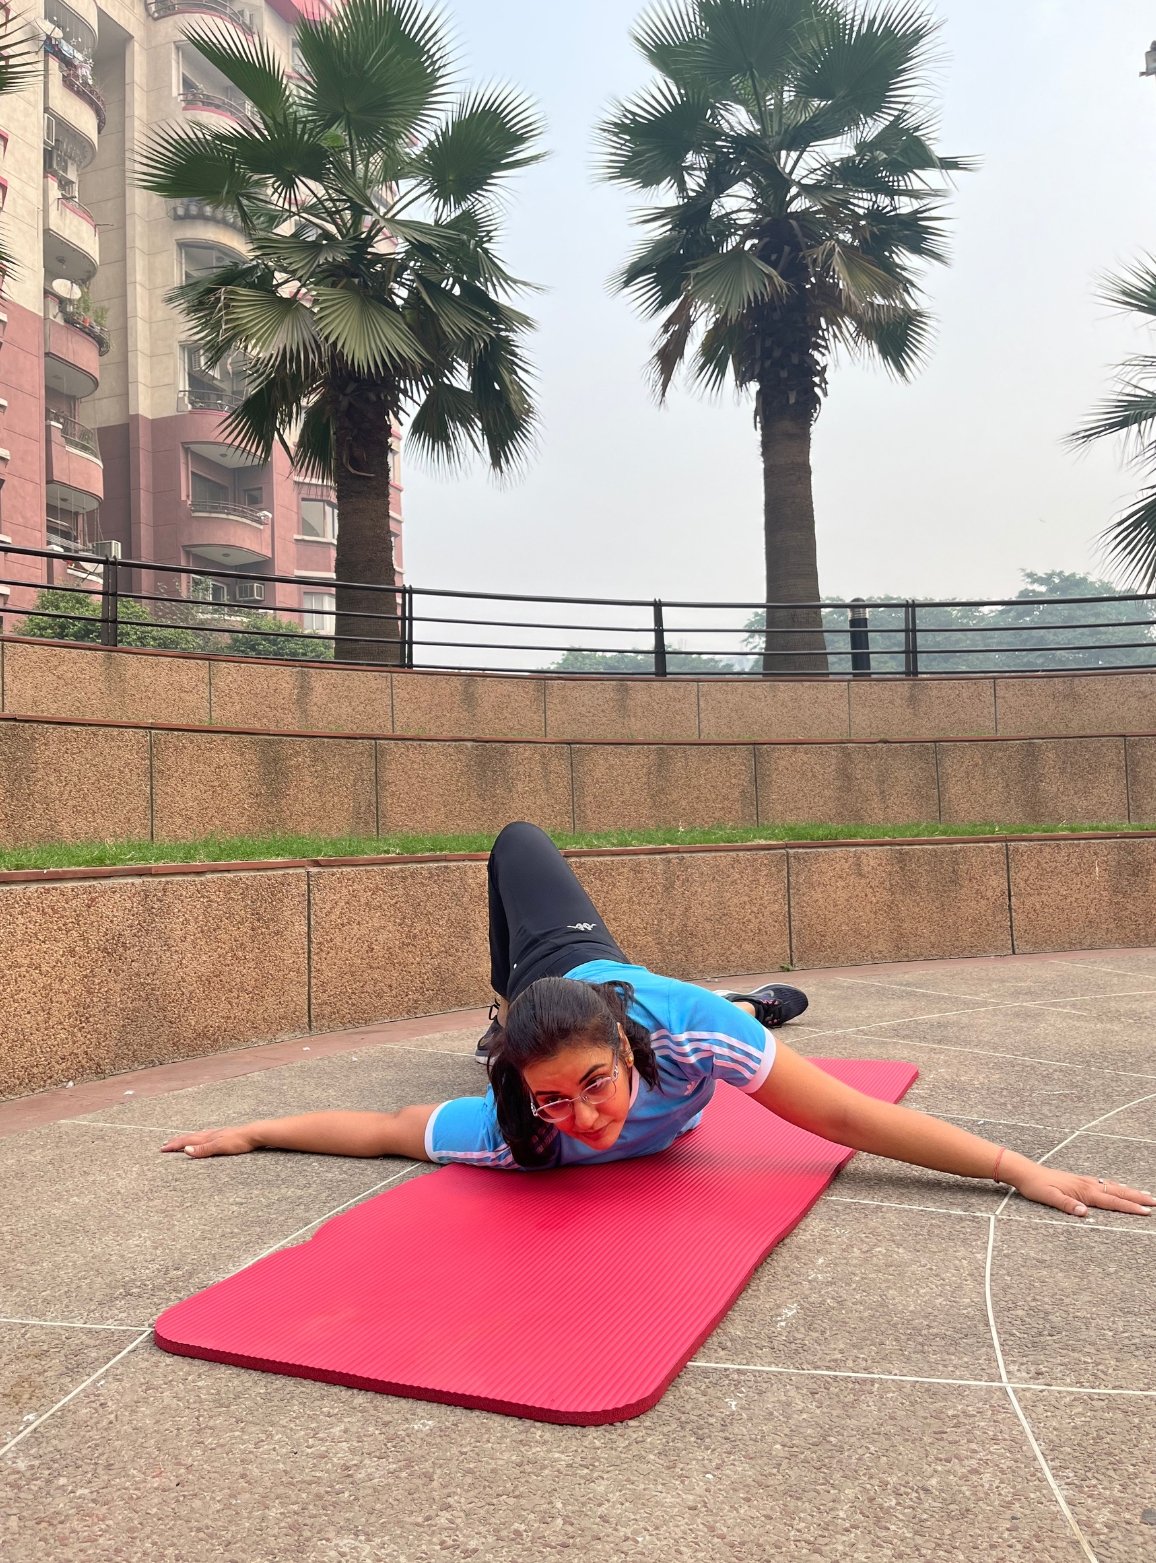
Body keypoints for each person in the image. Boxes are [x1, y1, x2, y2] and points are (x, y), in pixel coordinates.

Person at [162, 823, 1155, 1222]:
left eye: (595, 1084)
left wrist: (1017, 1169)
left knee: (519, 839)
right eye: (556, 1102)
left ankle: (738, 1004)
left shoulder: (684, 1033)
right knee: (521, 1000)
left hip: (578, 962)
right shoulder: (515, 1131)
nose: (585, 1117)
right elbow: (385, 1132)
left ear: (624, 1048)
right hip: (542, 1001)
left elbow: (846, 1119)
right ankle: (509, 1012)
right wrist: (254, 1130)